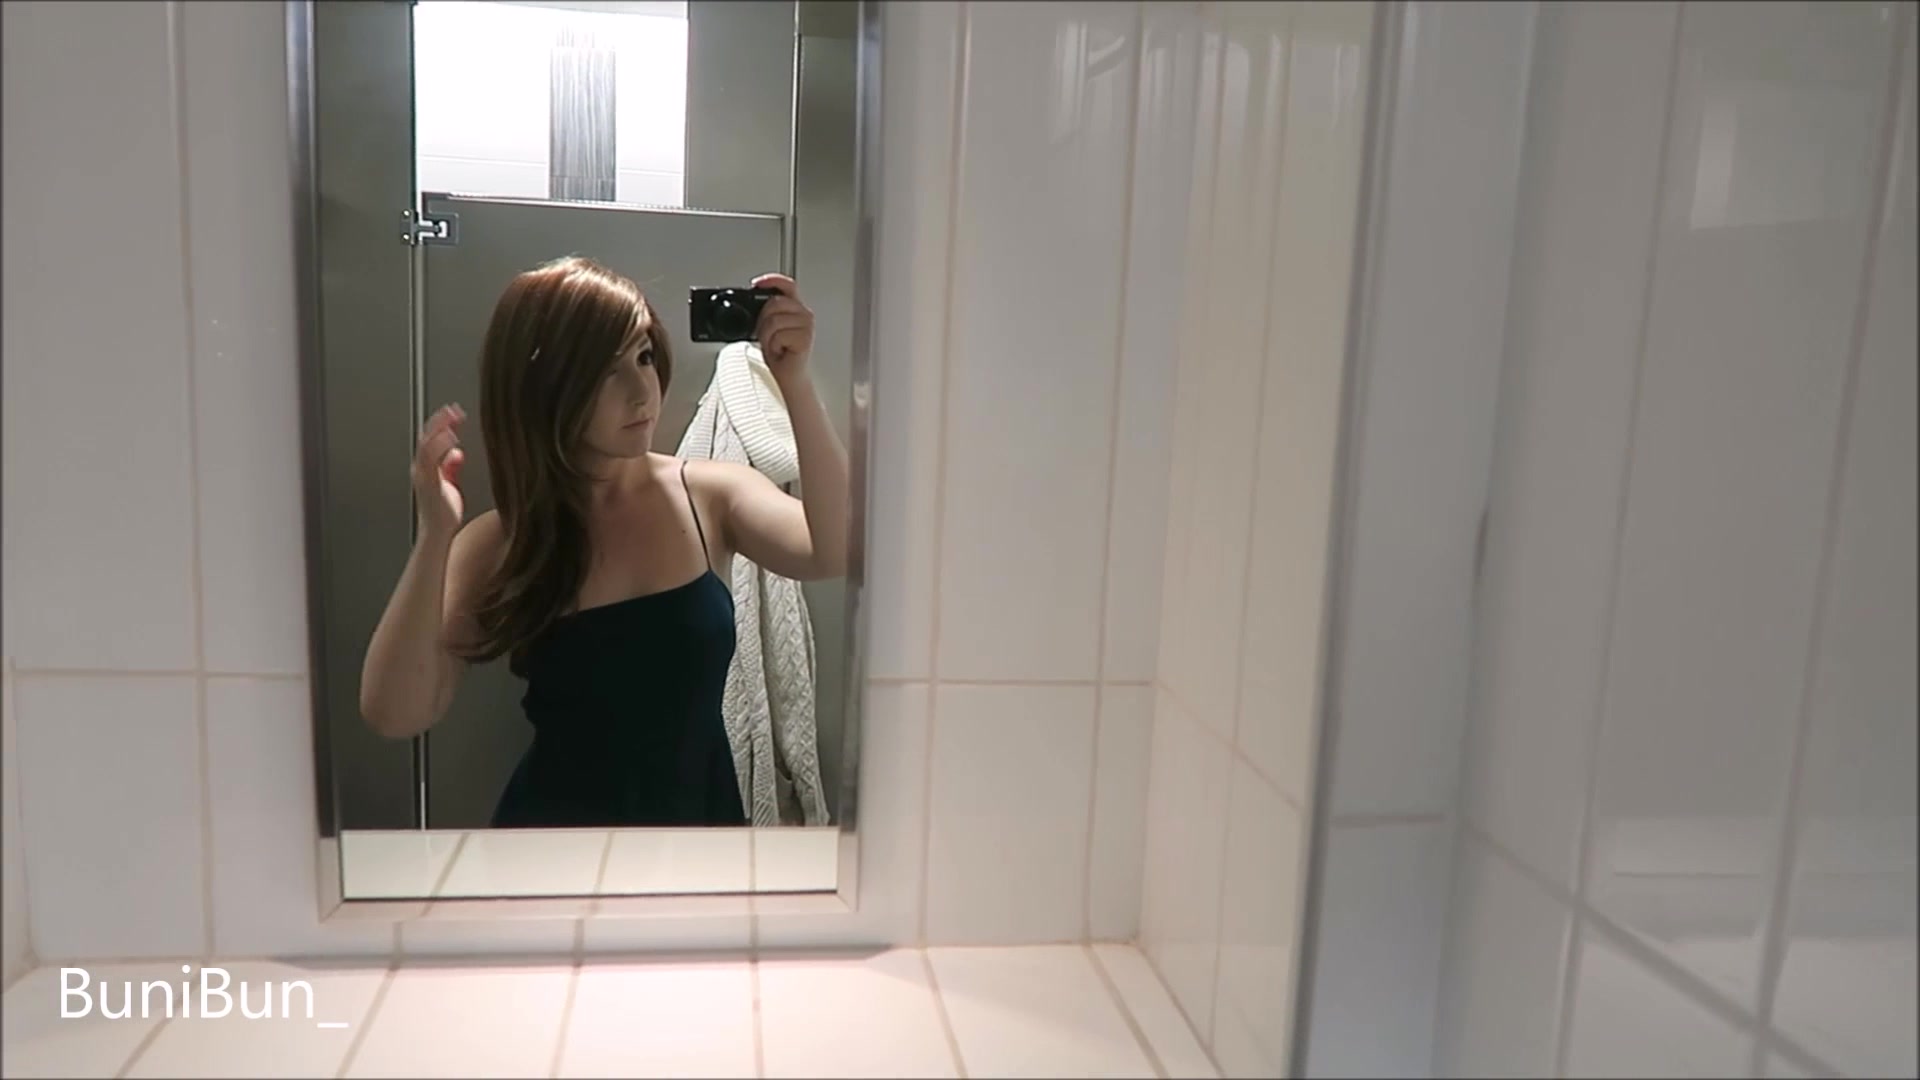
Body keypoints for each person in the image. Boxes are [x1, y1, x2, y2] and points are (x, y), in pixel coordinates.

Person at [357, 255, 849, 828]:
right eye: (604, 372)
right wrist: (434, 538)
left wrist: (795, 381)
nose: (642, 392)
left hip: (700, 836)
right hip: (554, 847)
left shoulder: (709, 496)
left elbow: (835, 549)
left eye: (643, 356)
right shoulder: (501, 542)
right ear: (546, 385)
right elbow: (396, 714)